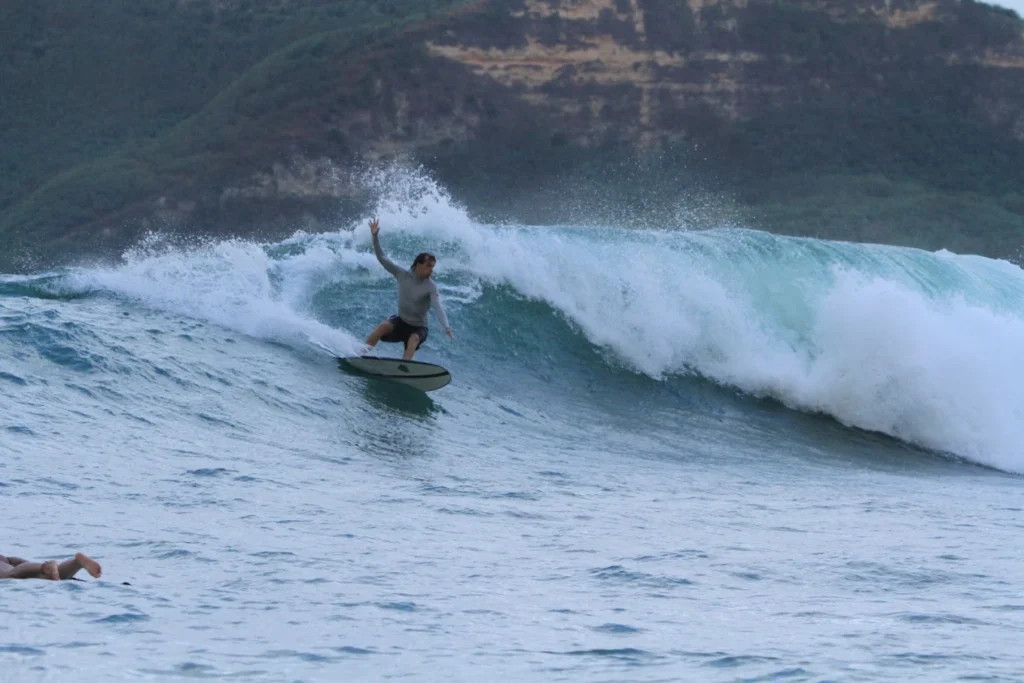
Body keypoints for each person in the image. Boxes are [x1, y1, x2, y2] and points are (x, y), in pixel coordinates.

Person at [363, 218, 454, 361]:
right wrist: (375, 237)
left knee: (414, 338)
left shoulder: (431, 286)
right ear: (418, 264)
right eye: (428, 266)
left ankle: (404, 367)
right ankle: (361, 354)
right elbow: (382, 257)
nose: (431, 270)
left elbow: (437, 307)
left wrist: (446, 327)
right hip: (401, 322)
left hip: (419, 328)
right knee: (383, 326)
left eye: (433, 267)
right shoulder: (402, 274)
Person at [0, 552, 102, 581]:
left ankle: (44, 568)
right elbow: (10, 560)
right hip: (12, 562)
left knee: (10, 574)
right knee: (57, 574)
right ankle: (76, 563)